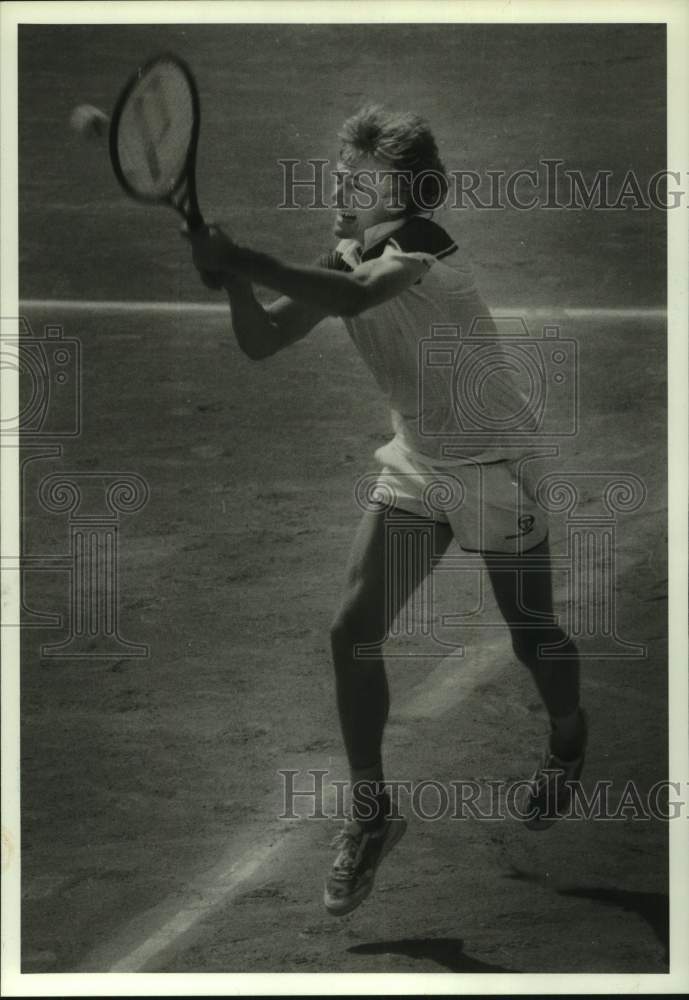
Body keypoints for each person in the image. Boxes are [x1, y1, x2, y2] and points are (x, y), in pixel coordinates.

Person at [185, 105, 587, 917]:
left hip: (493, 465)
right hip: (418, 459)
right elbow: (263, 339)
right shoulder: (345, 251)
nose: (339, 184)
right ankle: (372, 812)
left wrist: (246, 255)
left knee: (532, 634)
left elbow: (358, 295)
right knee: (351, 628)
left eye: (357, 177)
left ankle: (568, 733)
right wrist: (234, 279)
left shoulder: (420, 251)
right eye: (339, 170)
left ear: (399, 192)